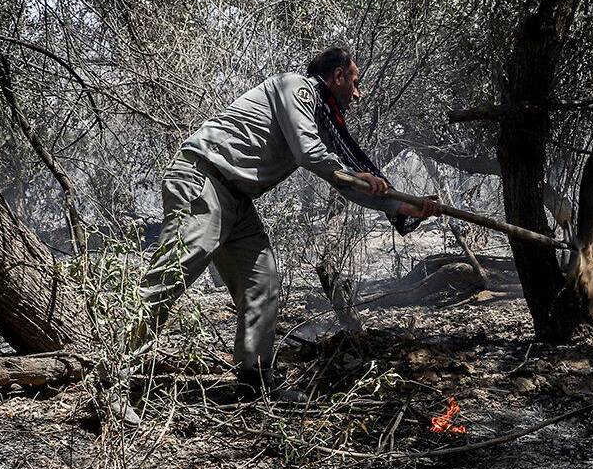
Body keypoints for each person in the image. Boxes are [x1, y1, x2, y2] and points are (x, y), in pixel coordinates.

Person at [105, 48, 441, 423]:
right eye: (356, 82)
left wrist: (400, 207)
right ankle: (111, 380)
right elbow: (310, 154)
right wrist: (355, 177)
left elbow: (343, 180)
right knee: (170, 277)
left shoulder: (320, 117)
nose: (358, 94)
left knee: (262, 283)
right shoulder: (296, 88)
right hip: (204, 179)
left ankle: (255, 381)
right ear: (338, 76)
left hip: (235, 199)